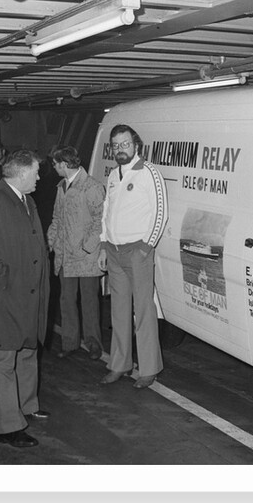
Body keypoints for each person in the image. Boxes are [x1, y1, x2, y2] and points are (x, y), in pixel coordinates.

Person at [0, 149, 51, 448]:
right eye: (35, 173)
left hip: (28, 295)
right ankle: (8, 426)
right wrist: (5, 279)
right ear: (20, 173)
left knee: (28, 350)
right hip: (4, 297)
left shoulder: (26, 200)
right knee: (5, 359)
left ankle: (28, 405)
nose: (39, 177)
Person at [98, 124, 168, 389]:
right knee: (118, 312)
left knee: (144, 311)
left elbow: (160, 212)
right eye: (116, 145)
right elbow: (107, 211)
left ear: (136, 145)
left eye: (125, 144)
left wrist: (146, 247)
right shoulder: (114, 175)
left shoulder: (149, 172)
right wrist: (104, 245)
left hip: (137, 252)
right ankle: (120, 364)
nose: (120, 150)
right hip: (114, 253)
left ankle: (149, 368)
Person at [47, 146, 106, 361]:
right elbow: (56, 219)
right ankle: (70, 343)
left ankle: (94, 345)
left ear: (64, 164)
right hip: (65, 256)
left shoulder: (92, 187)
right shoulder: (61, 187)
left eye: (55, 164)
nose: (53, 168)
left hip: (86, 257)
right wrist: (51, 241)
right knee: (67, 300)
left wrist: (86, 247)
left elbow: (101, 222)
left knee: (89, 301)